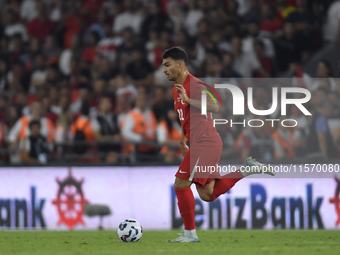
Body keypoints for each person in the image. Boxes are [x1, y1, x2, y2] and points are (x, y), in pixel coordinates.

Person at [162, 47, 275, 243]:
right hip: (202, 143)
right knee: (208, 194)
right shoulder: (176, 90)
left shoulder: (195, 85)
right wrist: (182, 139)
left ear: (180, 64)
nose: (164, 70)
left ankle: (190, 234)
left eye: (167, 65)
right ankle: (246, 170)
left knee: (180, 184)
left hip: (205, 142)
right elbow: (186, 118)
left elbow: (215, 105)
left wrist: (189, 99)